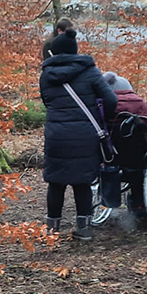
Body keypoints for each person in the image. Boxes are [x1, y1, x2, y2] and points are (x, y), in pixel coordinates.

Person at [40, 29, 118, 240]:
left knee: (56, 182)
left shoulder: (46, 76)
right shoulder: (91, 72)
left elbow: (47, 102)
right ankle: (83, 228)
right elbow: (111, 101)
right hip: (85, 135)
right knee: (82, 182)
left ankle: (52, 229)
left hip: (56, 135)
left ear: (54, 53)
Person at [102, 71, 147, 221]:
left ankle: (107, 202)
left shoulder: (100, 103)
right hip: (137, 155)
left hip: (108, 156)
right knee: (143, 163)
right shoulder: (138, 102)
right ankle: (139, 204)